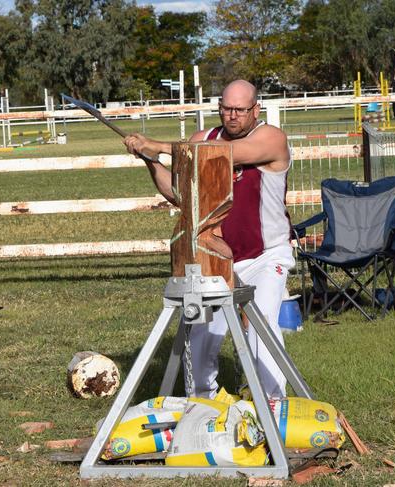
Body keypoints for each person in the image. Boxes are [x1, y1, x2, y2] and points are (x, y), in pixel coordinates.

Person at [124, 79, 294, 399]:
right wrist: (150, 158)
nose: (232, 116)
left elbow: (227, 154)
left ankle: (273, 404)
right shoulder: (202, 138)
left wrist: (160, 144)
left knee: (263, 327)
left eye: (240, 110)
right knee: (199, 336)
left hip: (265, 254)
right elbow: (178, 194)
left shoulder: (272, 138)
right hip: (213, 254)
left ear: (255, 109)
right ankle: (202, 405)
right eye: (226, 108)